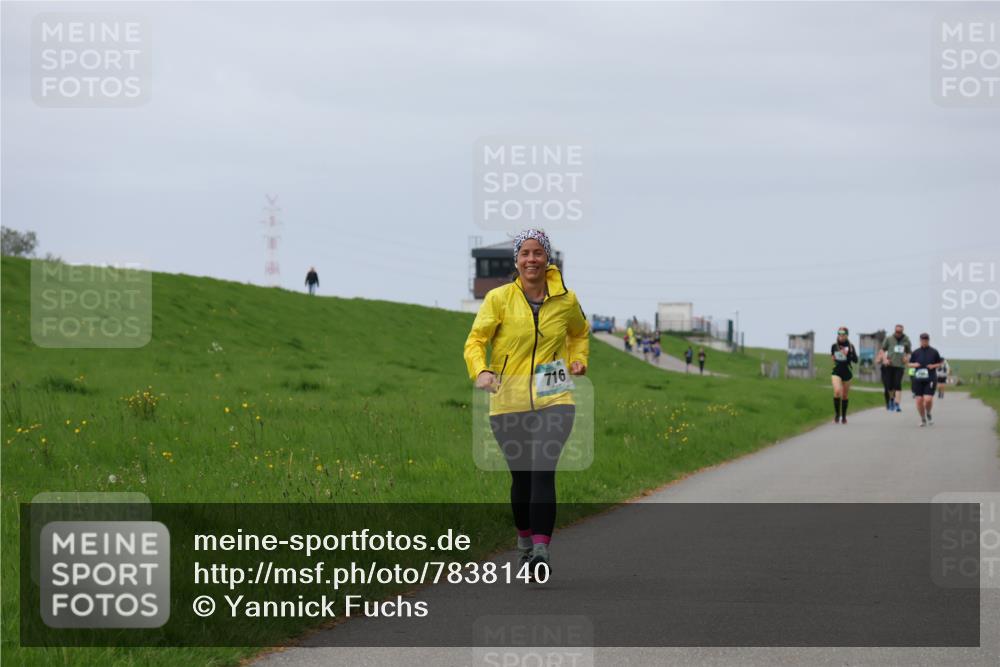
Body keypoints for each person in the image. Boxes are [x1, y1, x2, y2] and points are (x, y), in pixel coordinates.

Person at [464, 229, 589, 580]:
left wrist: (579, 360)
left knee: (542, 470)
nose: (531, 259)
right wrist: (482, 370)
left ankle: (540, 551)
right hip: (509, 401)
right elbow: (476, 341)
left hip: (556, 398)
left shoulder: (566, 300)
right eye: (525, 253)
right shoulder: (499, 299)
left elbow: (580, 333)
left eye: (538, 253)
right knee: (521, 477)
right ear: (516, 260)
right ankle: (523, 543)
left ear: (547, 258)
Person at [908, 333, 944, 426]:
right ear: (920, 341)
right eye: (922, 340)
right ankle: (923, 419)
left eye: (926, 340)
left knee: (927, 400)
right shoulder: (916, 352)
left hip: (930, 378)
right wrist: (914, 365)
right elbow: (909, 364)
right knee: (919, 400)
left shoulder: (934, 352)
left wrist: (933, 366)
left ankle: (928, 413)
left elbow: (940, 363)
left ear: (928, 340)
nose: (924, 342)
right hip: (918, 379)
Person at [830, 327, 859, 424]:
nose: (841, 337)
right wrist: (836, 358)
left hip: (847, 372)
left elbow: (856, 360)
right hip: (836, 372)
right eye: (839, 334)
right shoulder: (834, 346)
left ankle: (844, 416)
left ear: (847, 335)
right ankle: (837, 415)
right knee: (837, 391)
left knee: (845, 395)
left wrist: (850, 355)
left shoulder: (850, 346)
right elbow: (833, 358)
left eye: (843, 335)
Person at [880, 324, 911, 412]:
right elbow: (882, 350)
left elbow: (909, 352)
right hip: (890, 365)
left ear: (902, 331)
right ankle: (891, 400)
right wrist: (885, 359)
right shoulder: (889, 339)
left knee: (897, 384)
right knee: (890, 386)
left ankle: (897, 404)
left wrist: (907, 358)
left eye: (900, 332)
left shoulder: (906, 340)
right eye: (897, 331)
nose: (898, 333)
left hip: (900, 366)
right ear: (894, 331)